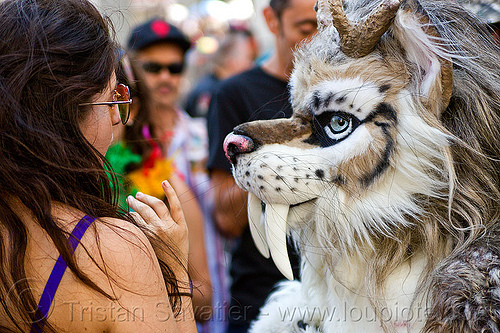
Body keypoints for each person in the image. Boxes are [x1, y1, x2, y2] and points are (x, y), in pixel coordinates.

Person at [0, 0, 197, 332]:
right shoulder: (114, 254)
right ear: (68, 112)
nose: (115, 118)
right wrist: (176, 270)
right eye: (112, 98)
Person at [206, 0, 318, 332]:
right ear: (272, 20)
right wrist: (273, 157)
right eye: (306, 29)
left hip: (338, 298)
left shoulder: (342, 95)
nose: (319, 42)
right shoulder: (234, 94)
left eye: (327, 29)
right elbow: (226, 218)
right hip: (261, 301)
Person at [123, 18, 225, 330]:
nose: (165, 76)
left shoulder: (205, 136)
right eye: (153, 67)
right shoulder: (118, 149)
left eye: (175, 67)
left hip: (214, 299)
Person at [184, 28, 258, 118]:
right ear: (232, 62)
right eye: (248, 58)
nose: (251, 65)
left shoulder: (216, 86)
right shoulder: (211, 92)